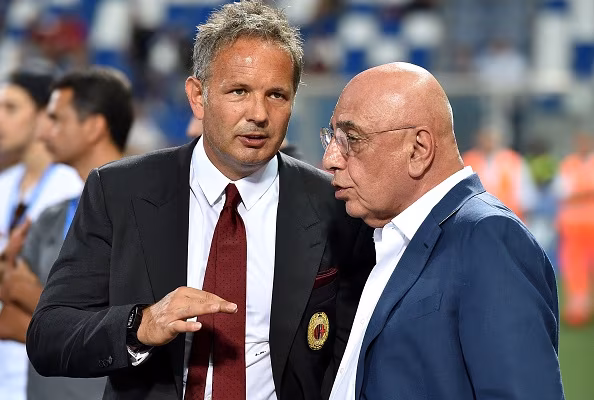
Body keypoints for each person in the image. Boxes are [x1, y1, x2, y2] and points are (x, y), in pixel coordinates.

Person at [27, 2, 374, 400]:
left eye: (277, 95)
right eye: (239, 91)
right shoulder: (118, 191)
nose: (259, 114)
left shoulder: (335, 205)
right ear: (197, 96)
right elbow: (49, 336)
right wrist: (140, 325)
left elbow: (350, 354)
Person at [322, 62, 564, 400]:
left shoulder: (488, 237)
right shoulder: (388, 231)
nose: (330, 158)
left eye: (351, 139)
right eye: (332, 137)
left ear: (418, 150)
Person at [1, 67, 134, 399]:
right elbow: (8, 321)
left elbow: (135, 324)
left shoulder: (142, 213)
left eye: (56, 120)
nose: (45, 133)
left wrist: (35, 300)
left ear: (93, 127)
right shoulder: (50, 217)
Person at [0, 68, 82, 400]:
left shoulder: (72, 187)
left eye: (11, 108)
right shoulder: (4, 183)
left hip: (45, 369)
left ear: (42, 115)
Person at [554, 131, 594, 326]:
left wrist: (578, 194)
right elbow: (562, 193)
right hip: (572, 227)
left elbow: (570, 194)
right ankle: (579, 310)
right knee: (575, 270)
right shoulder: (568, 164)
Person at [463, 127, 537, 221]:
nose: (489, 142)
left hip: (508, 218)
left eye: (492, 138)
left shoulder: (513, 161)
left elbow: (526, 197)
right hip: (475, 219)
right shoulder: (469, 159)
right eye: (486, 138)